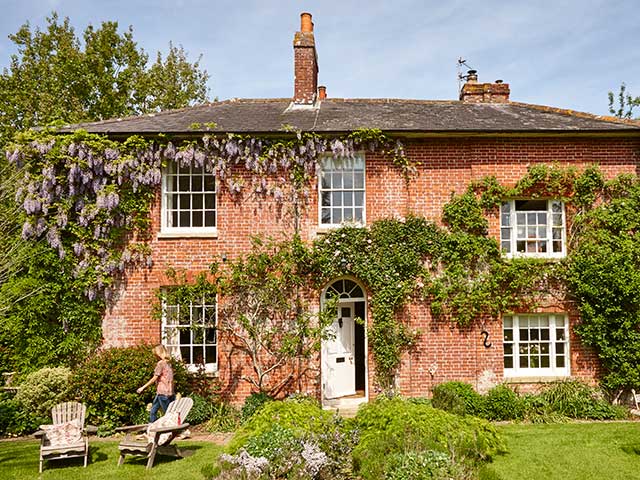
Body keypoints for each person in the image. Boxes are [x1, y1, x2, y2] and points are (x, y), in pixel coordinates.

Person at [137, 345, 175, 422]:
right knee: (153, 411)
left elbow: (154, 378)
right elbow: (171, 379)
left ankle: (171, 430)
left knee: (168, 414)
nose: (155, 356)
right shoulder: (169, 363)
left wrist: (143, 387)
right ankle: (152, 427)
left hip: (163, 393)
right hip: (168, 392)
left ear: (158, 353)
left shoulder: (160, 363)